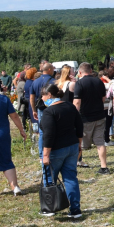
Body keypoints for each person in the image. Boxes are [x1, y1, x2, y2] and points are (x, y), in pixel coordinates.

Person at [40, 83, 83, 217]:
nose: (42, 99)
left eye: (43, 96)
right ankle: (75, 209)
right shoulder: (70, 106)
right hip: (72, 146)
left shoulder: (49, 112)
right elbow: (79, 125)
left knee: (50, 178)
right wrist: (79, 145)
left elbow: (49, 135)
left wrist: (45, 155)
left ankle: (50, 207)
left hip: (56, 150)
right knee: (70, 178)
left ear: (49, 95)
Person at [73, 62, 110, 174]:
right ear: (90, 70)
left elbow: (77, 102)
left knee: (79, 143)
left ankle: (72, 167)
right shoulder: (99, 81)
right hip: (99, 115)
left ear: (80, 72)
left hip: (85, 118)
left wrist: (74, 116)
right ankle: (104, 166)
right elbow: (103, 98)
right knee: (100, 142)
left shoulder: (79, 83)